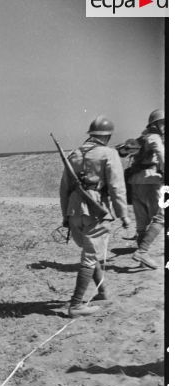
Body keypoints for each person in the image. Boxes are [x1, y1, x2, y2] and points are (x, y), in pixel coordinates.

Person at [60, 116, 130, 317]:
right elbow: (117, 187)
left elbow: (64, 189)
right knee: (91, 256)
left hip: (74, 211)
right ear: (107, 136)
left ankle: (103, 292)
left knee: (92, 251)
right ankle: (76, 305)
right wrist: (123, 214)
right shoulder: (109, 153)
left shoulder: (73, 154)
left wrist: (65, 215)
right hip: (96, 209)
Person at [128, 109, 165, 270]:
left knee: (141, 224)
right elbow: (162, 155)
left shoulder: (142, 138)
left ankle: (143, 259)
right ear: (156, 124)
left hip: (135, 182)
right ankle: (142, 251)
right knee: (161, 217)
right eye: (164, 122)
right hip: (151, 180)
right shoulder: (155, 138)